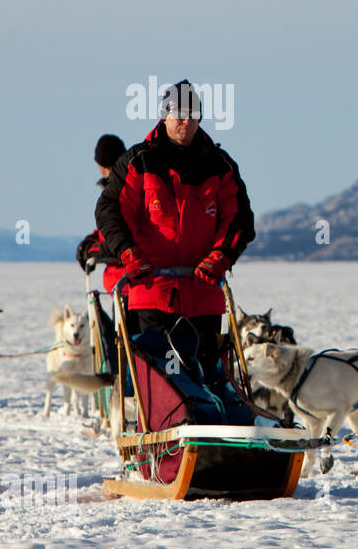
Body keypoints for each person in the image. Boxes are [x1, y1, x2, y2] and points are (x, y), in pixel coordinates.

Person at [95, 80, 255, 387]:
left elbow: (239, 221)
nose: (186, 119)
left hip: (203, 291)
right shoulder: (138, 161)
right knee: (161, 382)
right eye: (179, 112)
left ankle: (209, 428)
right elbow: (110, 211)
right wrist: (129, 254)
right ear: (164, 115)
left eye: (193, 112)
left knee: (206, 379)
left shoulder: (220, 166)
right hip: (152, 290)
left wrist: (219, 258)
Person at [76, 134, 127, 292]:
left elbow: (121, 235)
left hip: (128, 284)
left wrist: (94, 249)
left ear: (100, 164)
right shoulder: (134, 184)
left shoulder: (121, 192)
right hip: (125, 283)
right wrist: (96, 238)